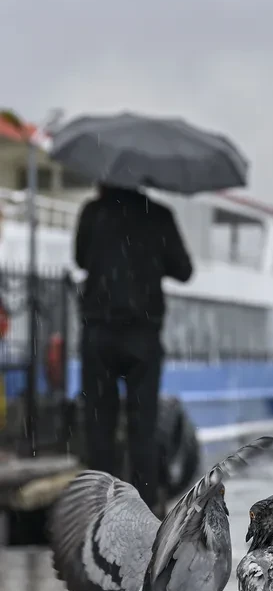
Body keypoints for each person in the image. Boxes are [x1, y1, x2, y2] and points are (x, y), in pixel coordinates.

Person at [75, 184, 193, 513]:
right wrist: (153, 256)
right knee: (143, 426)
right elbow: (184, 270)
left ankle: (98, 511)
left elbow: (81, 257)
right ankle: (143, 509)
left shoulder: (92, 212)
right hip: (142, 334)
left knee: (99, 427)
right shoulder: (158, 216)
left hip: (98, 331)